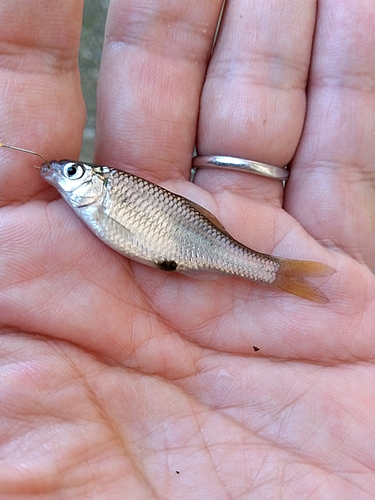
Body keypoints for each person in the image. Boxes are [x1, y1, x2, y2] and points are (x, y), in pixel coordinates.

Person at [1, 1, 374, 498]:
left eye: (75, 173)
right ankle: (275, 272)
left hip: (186, 245)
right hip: (178, 246)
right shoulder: (91, 205)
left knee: (250, 262)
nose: (66, 177)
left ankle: (274, 272)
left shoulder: (102, 202)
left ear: (92, 184)